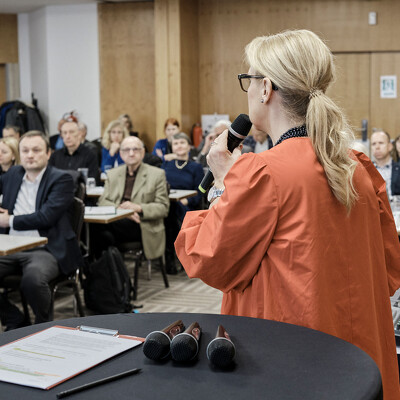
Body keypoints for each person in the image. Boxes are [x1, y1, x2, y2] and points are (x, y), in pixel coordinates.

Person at [175, 30, 400, 398]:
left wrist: (221, 184)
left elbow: (208, 258)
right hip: (359, 350)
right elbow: (390, 267)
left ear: (265, 89)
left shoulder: (262, 172)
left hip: (291, 352)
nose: (247, 90)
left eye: (248, 80)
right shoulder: (356, 166)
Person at [0, 131, 82, 330]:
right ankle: (15, 320)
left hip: (46, 248)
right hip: (12, 246)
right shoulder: (12, 175)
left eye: (36, 150)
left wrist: (8, 220)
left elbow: (46, 217)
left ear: (48, 153)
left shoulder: (62, 179)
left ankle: (41, 328)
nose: (30, 155)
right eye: (25, 150)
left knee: (33, 280)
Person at [94, 136, 169, 260]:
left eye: (135, 149)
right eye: (126, 150)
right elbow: (103, 201)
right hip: (117, 222)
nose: (131, 153)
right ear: (121, 154)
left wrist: (138, 207)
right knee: (101, 235)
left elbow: (163, 208)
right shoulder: (113, 174)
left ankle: (104, 273)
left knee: (97, 231)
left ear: (143, 152)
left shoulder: (156, 174)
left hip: (142, 225)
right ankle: (112, 272)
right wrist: (122, 212)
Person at [162, 132, 204, 274]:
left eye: (182, 143)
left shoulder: (195, 167)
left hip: (187, 205)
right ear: (172, 147)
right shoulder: (166, 165)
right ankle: (171, 256)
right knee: (170, 212)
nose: (179, 146)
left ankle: (171, 257)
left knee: (173, 213)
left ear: (189, 146)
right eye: (175, 143)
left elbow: (200, 191)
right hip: (167, 203)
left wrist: (188, 200)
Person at [49, 120, 100, 184]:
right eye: (64, 133)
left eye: (71, 132)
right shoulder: (55, 156)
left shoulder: (90, 155)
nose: (68, 136)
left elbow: (93, 179)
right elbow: (50, 178)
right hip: (59, 191)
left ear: (79, 134)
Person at [370, 130, 400, 198]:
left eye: (381, 143)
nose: (377, 147)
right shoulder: (365, 170)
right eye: (373, 144)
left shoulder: (398, 168)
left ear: (390, 146)